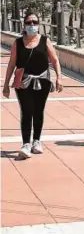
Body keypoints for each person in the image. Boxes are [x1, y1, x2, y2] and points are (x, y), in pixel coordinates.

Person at [2, 12, 63, 159]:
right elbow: (11, 64)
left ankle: (37, 141)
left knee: (38, 110)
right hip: (23, 82)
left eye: (35, 22)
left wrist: (59, 78)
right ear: (24, 25)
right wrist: (5, 84)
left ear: (38, 25)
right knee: (27, 111)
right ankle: (26, 144)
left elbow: (55, 60)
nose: (32, 25)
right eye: (29, 22)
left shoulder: (45, 41)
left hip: (43, 81)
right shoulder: (18, 43)